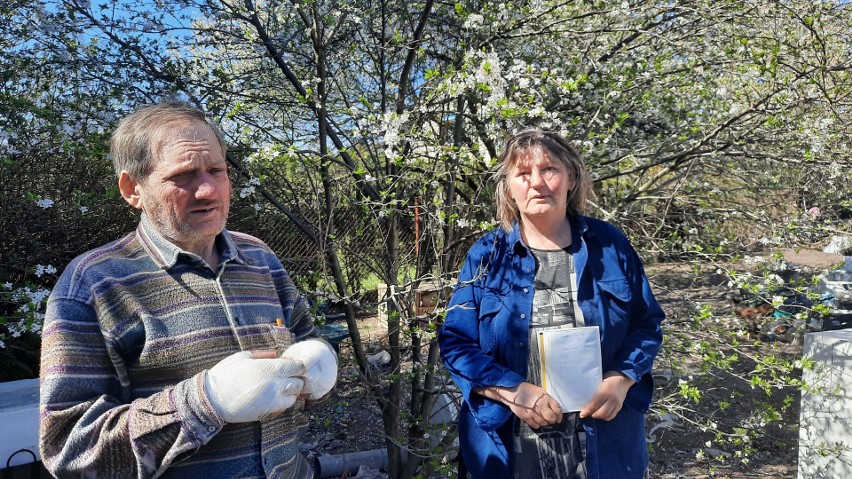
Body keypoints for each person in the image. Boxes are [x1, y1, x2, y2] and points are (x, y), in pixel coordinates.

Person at [39, 102, 338, 478]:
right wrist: (205, 401)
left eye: (217, 170)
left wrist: (319, 367)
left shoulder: (259, 258)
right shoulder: (93, 284)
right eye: (183, 175)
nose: (208, 190)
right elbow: (68, 449)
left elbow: (306, 340)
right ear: (133, 189)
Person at [439, 129, 664, 479]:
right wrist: (511, 391)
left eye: (549, 169)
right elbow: (456, 343)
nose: (537, 182)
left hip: (605, 447)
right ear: (509, 187)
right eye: (523, 173)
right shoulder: (486, 256)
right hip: (509, 449)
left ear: (571, 177)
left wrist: (621, 379)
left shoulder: (610, 246)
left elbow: (646, 323)